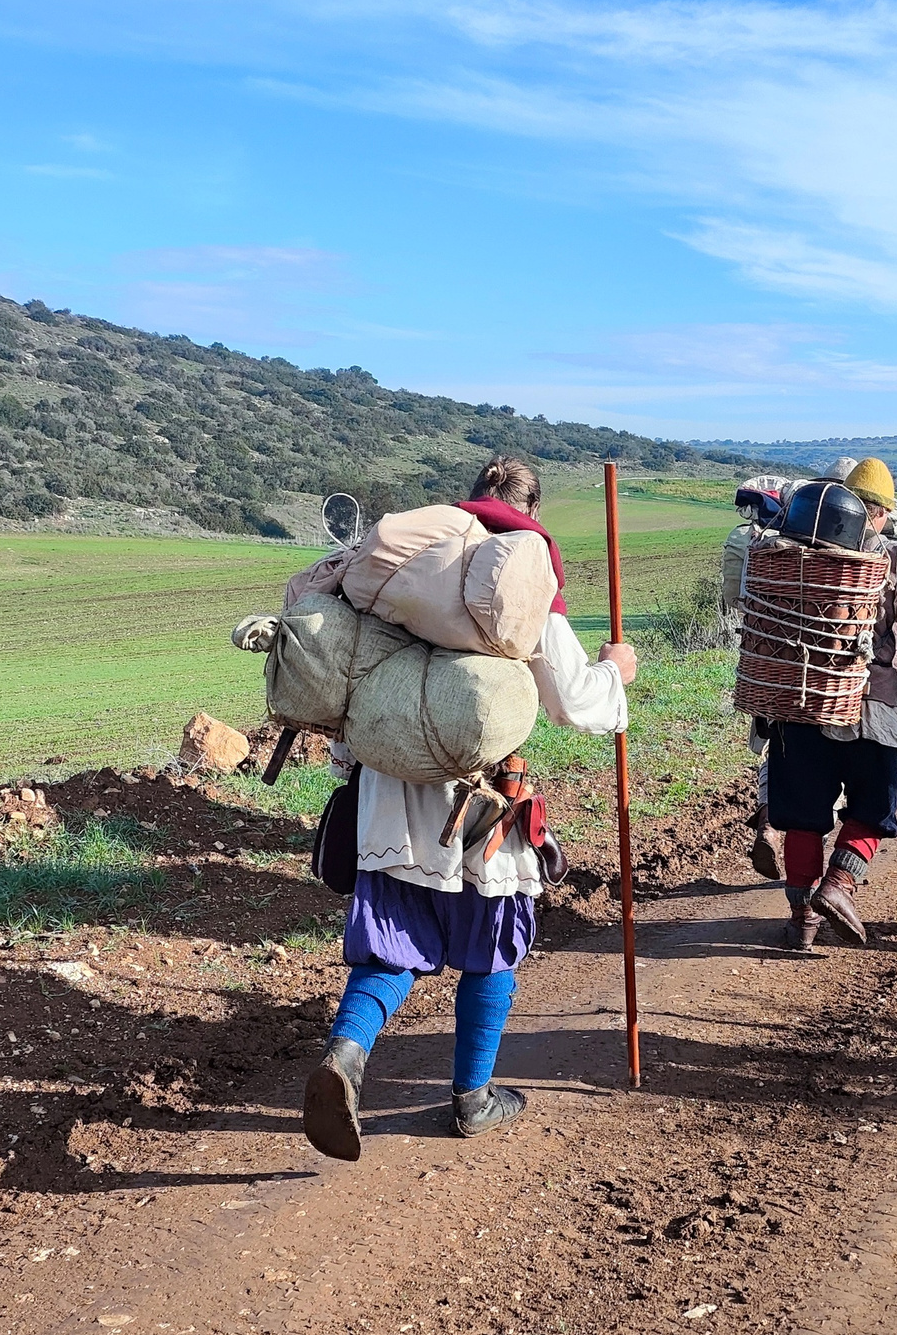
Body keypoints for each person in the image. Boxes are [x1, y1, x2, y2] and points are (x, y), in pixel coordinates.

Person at [302, 456, 638, 1161]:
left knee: (396, 937)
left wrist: (349, 767)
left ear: (472, 498)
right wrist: (617, 670)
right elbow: (575, 701)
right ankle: (473, 1097)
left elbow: (357, 683)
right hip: (482, 795)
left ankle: (346, 1052)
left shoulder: (406, 568)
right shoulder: (520, 576)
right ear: (530, 508)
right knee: (491, 945)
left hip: (388, 785)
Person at [764, 459, 897, 951]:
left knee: (802, 813)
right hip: (871, 706)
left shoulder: (786, 552)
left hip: (796, 703)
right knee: (873, 804)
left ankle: (801, 920)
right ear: (882, 512)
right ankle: (840, 887)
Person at [719, 476, 792, 881]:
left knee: (771, 746)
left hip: (764, 659)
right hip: (822, 668)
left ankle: (767, 822)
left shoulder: (747, 540)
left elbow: (734, 598)